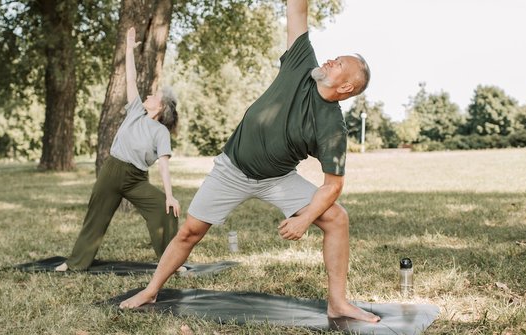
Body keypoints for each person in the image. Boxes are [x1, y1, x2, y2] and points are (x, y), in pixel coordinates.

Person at [120, 0, 380, 323]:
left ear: (345, 87)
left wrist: (305, 218)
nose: (330, 60)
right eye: (335, 57)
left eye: (339, 64)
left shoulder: (332, 128)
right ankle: (151, 290)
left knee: (337, 219)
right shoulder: (303, 63)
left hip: (277, 178)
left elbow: (334, 185)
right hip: (233, 168)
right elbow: (297, 9)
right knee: (190, 231)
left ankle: (338, 303)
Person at [55, 27, 180, 272]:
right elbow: (131, 78)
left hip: (136, 179)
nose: (149, 95)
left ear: (161, 108)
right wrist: (128, 48)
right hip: (112, 171)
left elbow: (164, 166)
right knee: (96, 216)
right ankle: (75, 263)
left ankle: (171, 264)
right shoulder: (135, 110)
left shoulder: (160, 132)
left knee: (165, 210)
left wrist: (169, 195)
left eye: (154, 96)